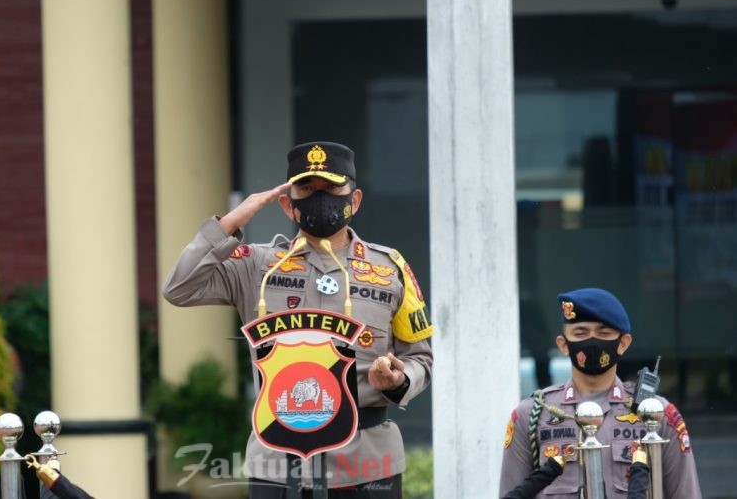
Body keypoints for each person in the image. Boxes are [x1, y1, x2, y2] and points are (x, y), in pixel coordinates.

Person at [163, 141, 433, 498]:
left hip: (367, 464)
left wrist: (399, 380)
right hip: (278, 463)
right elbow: (179, 288)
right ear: (288, 204)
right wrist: (229, 224)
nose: (320, 199)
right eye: (306, 189)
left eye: (331, 189)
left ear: (354, 200)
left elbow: (421, 358)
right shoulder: (256, 265)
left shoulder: (389, 269)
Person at [498, 287, 702, 498]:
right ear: (563, 345)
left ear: (623, 343)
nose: (592, 342)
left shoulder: (657, 414)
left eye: (604, 333)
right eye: (581, 333)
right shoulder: (531, 415)